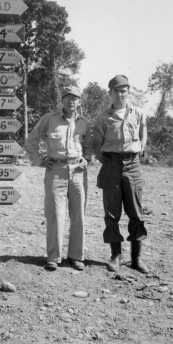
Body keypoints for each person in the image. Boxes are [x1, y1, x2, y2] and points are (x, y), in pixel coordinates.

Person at [25, 86, 93, 271]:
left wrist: (87, 159)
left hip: (78, 171)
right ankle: (54, 257)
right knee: (55, 214)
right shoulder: (49, 119)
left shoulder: (84, 123)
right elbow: (31, 140)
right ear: (62, 100)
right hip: (55, 170)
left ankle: (76, 256)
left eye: (75, 98)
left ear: (80, 101)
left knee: (78, 214)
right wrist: (38, 160)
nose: (72, 101)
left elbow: (88, 146)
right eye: (68, 97)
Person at [93, 75, 150, 273]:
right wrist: (111, 161)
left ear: (128, 91)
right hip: (111, 165)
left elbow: (143, 138)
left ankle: (136, 258)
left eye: (124, 90)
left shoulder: (139, 113)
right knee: (111, 214)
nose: (120, 94)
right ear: (110, 93)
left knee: (136, 212)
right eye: (116, 90)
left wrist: (135, 153)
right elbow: (97, 146)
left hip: (133, 165)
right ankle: (115, 255)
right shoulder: (102, 117)